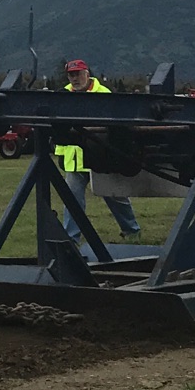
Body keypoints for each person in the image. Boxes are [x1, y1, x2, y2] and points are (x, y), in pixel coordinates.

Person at [54, 58, 141, 248]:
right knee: (72, 200)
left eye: (78, 74)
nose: (75, 79)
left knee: (114, 196)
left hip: (101, 157)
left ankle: (131, 230)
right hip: (74, 160)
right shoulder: (64, 96)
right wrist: (60, 154)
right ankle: (72, 239)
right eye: (71, 75)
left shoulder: (104, 94)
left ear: (87, 73)